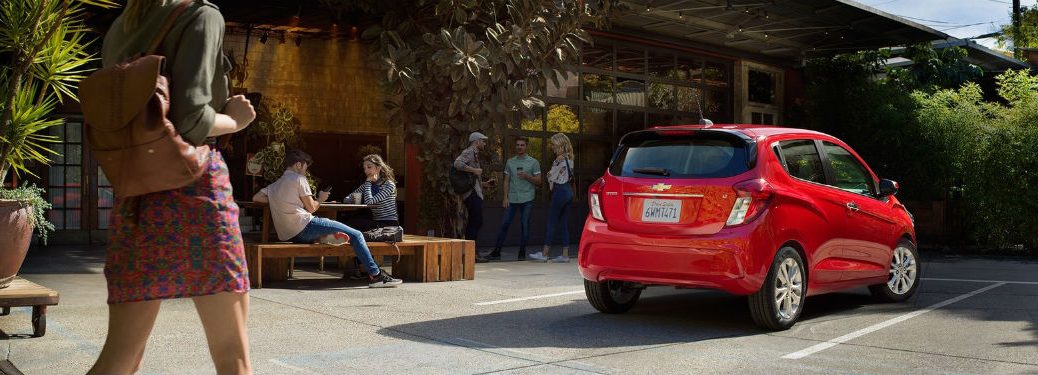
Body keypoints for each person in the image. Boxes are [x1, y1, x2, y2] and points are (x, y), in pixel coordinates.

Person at [89, 1, 256, 374]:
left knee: (121, 356)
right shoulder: (201, 15)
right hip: (196, 190)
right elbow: (192, 119)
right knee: (232, 354)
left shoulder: (124, 24)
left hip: (139, 193)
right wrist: (236, 119)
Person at [252, 150, 403, 288]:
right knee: (356, 234)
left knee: (349, 230)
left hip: (289, 234)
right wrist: (321, 198)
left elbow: (257, 197)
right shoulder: (299, 179)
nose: (306, 171)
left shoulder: (277, 184)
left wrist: (280, 200)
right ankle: (376, 276)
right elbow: (312, 208)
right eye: (305, 167)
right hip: (306, 225)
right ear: (298, 165)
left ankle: (326, 238)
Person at [488, 136, 541, 261]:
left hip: (527, 198)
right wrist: (505, 198)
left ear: (526, 146)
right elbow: (506, 181)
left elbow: (539, 181)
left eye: (522, 145)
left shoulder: (534, 162)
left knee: (524, 225)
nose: (519, 147)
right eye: (518, 145)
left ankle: (522, 252)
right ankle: (497, 251)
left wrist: (527, 176)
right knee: (504, 224)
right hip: (512, 198)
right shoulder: (510, 162)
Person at [529, 133, 576, 263]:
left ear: (560, 144)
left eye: (554, 144)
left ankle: (544, 253)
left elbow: (551, 177)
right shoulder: (570, 158)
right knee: (563, 223)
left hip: (560, 191)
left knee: (551, 222)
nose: (552, 146)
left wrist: (549, 177)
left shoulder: (558, 159)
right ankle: (565, 255)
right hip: (568, 191)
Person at [454, 132, 496, 245]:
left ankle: (471, 251)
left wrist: (485, 184)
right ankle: (470, 252)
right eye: (483, 141)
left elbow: (471, 179)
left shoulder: (474, 154)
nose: (484, 143)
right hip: (471, 194)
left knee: (475, 221)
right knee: (476, 221)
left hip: (474, 191)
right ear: (477, 141)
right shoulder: (469, 152)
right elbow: (457, 163)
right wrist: (474, 170)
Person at [342, 154, 399, 232]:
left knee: (354, 223)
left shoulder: (389, 184)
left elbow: (369, 202)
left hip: (389, 224)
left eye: (369, 167)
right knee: (351, 222)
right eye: (364, 168)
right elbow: (346, 199)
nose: (366, 171)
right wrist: (353, 199)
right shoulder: (367, 185)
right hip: (376, 222)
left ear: (378, 168)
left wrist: (368, 182)